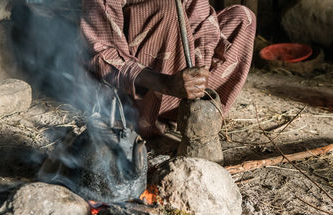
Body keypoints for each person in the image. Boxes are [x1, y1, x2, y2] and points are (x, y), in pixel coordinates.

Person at [81, 0, 256, 137]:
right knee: (167, 7)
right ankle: (149, 121)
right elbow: (102, 53)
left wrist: (197, 75)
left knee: (243, 17)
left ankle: (192, 116)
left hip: (176, 76)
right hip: (132, 90)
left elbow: (201, 27)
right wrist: (165, 83)